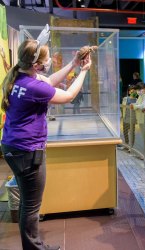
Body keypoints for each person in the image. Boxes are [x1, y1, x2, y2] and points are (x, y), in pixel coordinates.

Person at [1, 36, 91, 250]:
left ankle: (34, 245)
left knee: (27, 202)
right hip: (27, 151)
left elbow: (49, 82)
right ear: (36, 65)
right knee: (32, 207)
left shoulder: (19, 78)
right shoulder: (33, 87)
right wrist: (84, 71)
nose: (50, 62)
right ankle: (34, 248)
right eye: (48, 59)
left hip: (14, 147)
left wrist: (73, 64)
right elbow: (68, 95)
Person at [131, 82, 145, 152]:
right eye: (137, 90)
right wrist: (134, 105)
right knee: (144, 137)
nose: (138, 91)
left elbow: (143, 106)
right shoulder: (140, 96)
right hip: (140, 119)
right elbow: (138, 104)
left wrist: (135, 106)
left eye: (140, 89)